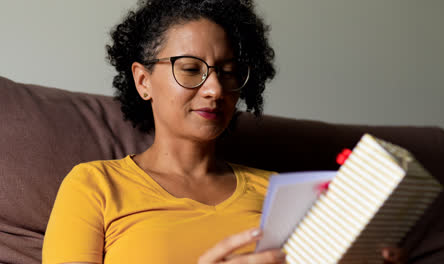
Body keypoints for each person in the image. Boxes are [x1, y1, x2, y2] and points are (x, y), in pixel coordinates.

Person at [42, 0, 406, 263]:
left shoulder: (280, 192)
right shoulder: (95, 185)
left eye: (228, 72)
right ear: (143, 80)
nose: (215, 89)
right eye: (189, 69)